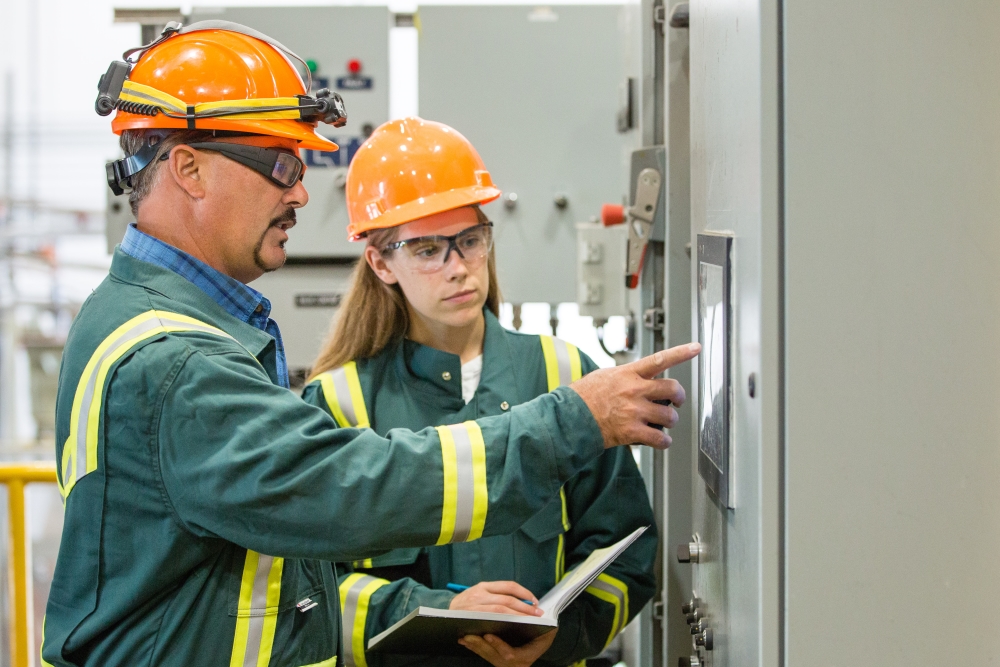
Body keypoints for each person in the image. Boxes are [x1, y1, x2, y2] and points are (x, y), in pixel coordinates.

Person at [43, 23, 698, 667]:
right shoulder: (178, 360)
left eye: (469, 238)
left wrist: (560, 632)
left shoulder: (148, 321)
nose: (300, 190)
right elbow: (351, 491)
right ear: (188, 168)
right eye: (280, 163)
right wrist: (572, 421)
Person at [302, 118, 658, 667]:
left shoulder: (566, 376)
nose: (460, 268)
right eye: (427, 249)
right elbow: (313, 588)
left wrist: (556, 641)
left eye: (470, 240)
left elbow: (626, 558)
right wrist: (439, 610)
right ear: (380, 263)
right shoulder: (341, 401)